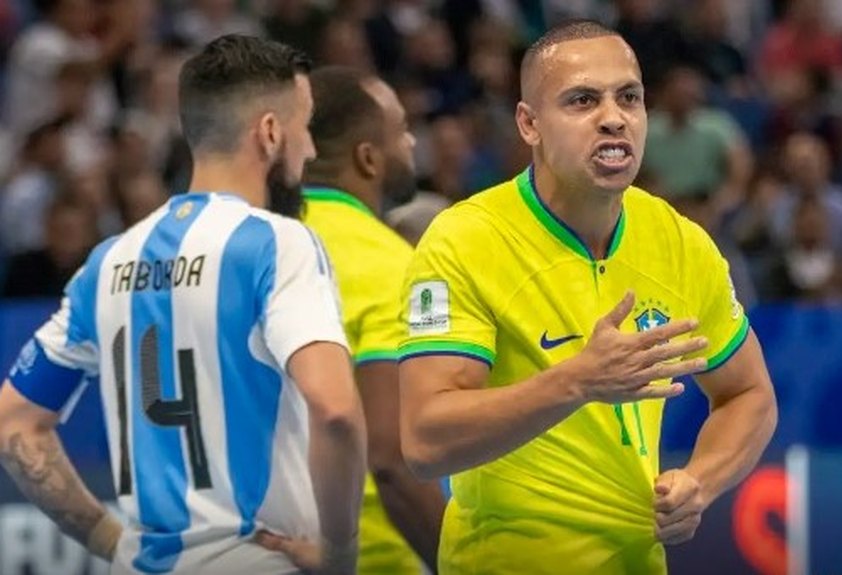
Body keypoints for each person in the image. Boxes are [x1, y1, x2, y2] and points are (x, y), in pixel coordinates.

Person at [398, 20, 778, 574]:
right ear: (529, 124)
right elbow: (425, 442)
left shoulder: (680, 241)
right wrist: (577, 380)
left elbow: (749, 394)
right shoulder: (466, 240)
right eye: (581, 100)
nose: (613, 117)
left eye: (629, 97)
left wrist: (700, 479)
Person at [0, 35, 366, 575]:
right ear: (269, 132)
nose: (309, 149)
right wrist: (340, 552)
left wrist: (106, 540)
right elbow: (335, 410)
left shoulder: (107, 262)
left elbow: (14, 423)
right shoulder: (277, 242)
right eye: (304, 126)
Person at [262, 65, 446, 575]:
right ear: (368, 157)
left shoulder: (252, 245)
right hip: (371, 553)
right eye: (401, 130)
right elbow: (391, 462)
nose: (411, 142)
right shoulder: (393, 264)